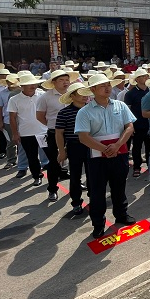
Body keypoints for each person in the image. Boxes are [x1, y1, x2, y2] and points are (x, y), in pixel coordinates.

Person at [75, 73, 136, 238]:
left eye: (108, 84)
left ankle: (121, 215)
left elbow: (129, 127)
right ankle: (98, 223)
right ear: (93, 89)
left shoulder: (120, 106)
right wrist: (104, 148)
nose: (108, 88)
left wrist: (116, 146)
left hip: (120, 153)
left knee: (119, 186)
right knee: (97, 191)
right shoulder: (84, 112)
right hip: (97, 158)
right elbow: (83, 137)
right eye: (102, 85)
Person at [36, 69, 77, 202]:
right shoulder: (45, 97)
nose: (65, 83)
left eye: (67, 80)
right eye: (61, 80)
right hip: (54, 133)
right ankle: (52, 189)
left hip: (73, 132)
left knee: (76, 161)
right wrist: (53, 126)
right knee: (54, 162)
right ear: (53, 82)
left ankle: (76, 185)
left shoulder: (73, 94)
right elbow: (40, 116)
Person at [55, 83, 89, 216]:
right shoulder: (64, 112)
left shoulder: (92, 109)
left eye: (85, 93)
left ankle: (95, 198)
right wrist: (62, 151)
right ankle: (76, 202)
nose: (84, 97)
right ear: (72, 96)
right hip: (74, 146)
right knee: (75, 176)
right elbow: (59, 133)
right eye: (81, 94)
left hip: (92, 145)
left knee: (94, 174)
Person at [8, 73, 47, 187]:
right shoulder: (14, 99)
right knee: (32, 156)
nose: (32, 86)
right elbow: (12, 118)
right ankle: (37, 176)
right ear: (22, 86)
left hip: (43, 131)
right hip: (26, 133)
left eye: (34, 83)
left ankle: (56, 175)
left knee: (50, 155)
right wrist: (15, 134)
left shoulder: (42, 95)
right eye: (29, 84)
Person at [124, 69, 150, 178]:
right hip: (137, 125)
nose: (144, 78)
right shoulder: (130, 94)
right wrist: (130, 126)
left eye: (145, 76)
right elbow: (127, 111)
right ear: (137, 79)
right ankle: (137, 167)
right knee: (137, 147)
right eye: (142, 76)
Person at [0, 74, 21, 170]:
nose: (11, 83)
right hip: (8, 120)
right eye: (9, 81)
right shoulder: (1, 94)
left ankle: (22, 161)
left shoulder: (23, 92)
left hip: (23, 121)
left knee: (23, 143)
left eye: (13, 81)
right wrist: (0, 122)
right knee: (11, 142)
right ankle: (11, 160)